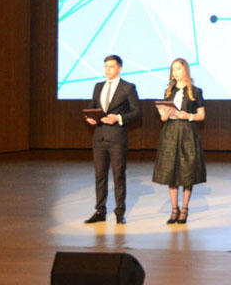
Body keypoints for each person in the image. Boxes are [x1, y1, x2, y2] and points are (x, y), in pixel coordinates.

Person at [84, 54, 142, 224]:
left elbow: (137, 111)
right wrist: (90, 117)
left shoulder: (128, 88)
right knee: (100, 176)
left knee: (118, 175)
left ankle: (119, 212)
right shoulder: (98, 86)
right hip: (99, 137)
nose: (107, 70)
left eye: (111, 66)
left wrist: (119, 118)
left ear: (119, 68)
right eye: (106, 66)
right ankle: (100, 211)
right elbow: (92, 107)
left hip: (117, 137)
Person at [152, 57, 206, 224]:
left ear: (186, 70)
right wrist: (164, 114)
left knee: (187, 171)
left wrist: (188, 115)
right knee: (171, 171)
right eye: (173, 69)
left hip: (187, 132)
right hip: (170, 133)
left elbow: (201, 115)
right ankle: (174, 209)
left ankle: (184, 209)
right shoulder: (169, 92)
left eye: (178, 69)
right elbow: (163, 117)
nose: (175, 72)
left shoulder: (195, 91)